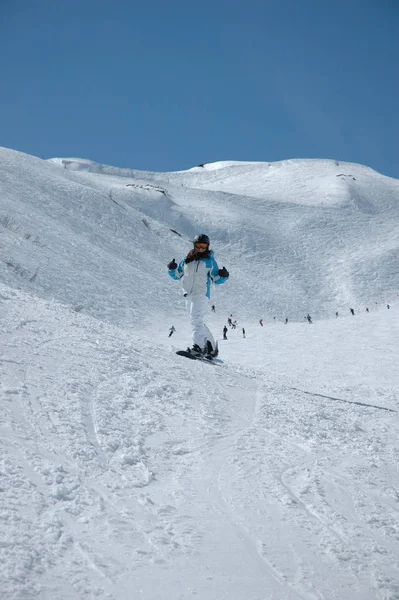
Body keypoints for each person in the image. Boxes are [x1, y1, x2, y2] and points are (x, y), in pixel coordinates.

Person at [168, 234, 229, 357]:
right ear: (194, 245)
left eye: (204, 246)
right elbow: (177, 275)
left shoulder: (210, 262)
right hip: (188, 294)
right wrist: (172, 268)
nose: (201, 248)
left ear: (207, 247)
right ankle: (211, 348)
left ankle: (199, 348)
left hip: (201, 293)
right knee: (196, 321)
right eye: (198, 245)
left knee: (196, 320)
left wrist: (224, 276)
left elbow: (216, 279)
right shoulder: (186, 260)